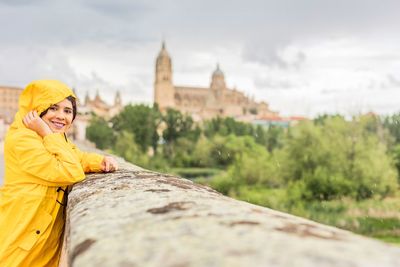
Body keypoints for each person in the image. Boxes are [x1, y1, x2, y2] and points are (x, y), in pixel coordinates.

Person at [0, 80, 118, 266]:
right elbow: (70, 172)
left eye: (68, 111)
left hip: (40, 242)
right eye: (53, 108)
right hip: (21, 243)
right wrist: (48, 134)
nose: (61, 116)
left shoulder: (54, 139)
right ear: (37, 110)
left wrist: (100, 161)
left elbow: (76, 157)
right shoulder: (23, 140)